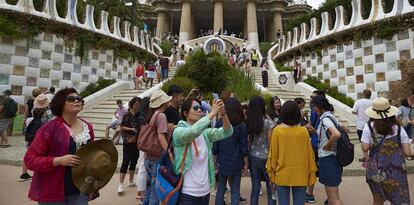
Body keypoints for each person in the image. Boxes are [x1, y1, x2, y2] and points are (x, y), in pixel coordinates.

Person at [24, 88, 95, 204]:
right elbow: (30, 160)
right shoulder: (49, 128)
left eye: (79, 99)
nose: (77, 101)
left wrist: (91, 186)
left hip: (80, 191)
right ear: (61, 103)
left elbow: (91, 157)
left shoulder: (88, 127)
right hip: (53, 192)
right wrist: (58, 161)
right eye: (71, 99)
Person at [172, 98, 233, 205]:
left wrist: (223, 113)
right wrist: (212, 113)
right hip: (187, 192)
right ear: (185, 113)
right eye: (195, 108)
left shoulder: (205, 134)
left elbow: (228, 131)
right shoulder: (178, 132)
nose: (200, 110)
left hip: (205, 191)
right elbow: (192, 132)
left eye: (200, 107)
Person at [361, 97, 413, 205]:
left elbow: (365, 147)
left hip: (376, 169)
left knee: (377, 200)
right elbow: (408, 152)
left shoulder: (368, 127)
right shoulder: (398, 128)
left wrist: (374, 143)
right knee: (399, 199)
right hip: (396, 170)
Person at [267, 101, 317, 205]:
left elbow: (273, 155)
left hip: (282, 174)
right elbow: (309, 154)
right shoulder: (303, 132)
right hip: (300, 174)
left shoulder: (277, 131)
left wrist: (272, 172)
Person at [213, 98, 248, 205]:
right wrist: (246, 162)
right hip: (236, 161)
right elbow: (243, 146)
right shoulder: (241, 125)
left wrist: (214, 161)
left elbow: (215, 145)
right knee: (235, 190)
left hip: (222, 160)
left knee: (221, 189)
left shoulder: (219, 123)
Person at [311, 96, 343, 205]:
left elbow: (336, 134)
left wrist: (326, 145)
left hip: (328, 159)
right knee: (332, 197)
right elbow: (344, 129)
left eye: (314, 107)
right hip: (333, 158)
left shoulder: (325, 119)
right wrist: (315, 131)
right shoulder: (331, 116)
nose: (314, 110)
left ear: (319, 107)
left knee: (333, 199)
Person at [246, 96, 276, 205]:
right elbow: (271, 142)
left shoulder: (249, 121)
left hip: (253, 156)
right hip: (267, 157)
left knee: (255, 187)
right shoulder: (268, 123)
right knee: (270, 187)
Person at [143, 90, 171, 205]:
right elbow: (160, 136)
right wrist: (169, 152)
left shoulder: (152, 115)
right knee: (155, 192)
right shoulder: (161, 116)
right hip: (156, 158)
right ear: (163, 102)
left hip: (148, 158)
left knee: (148, 190)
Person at [20, 94, 53, 182]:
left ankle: (24, 173)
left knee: (28, 154)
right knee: (40, 156)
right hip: (40, 137)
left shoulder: (33, 109)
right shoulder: (48, 112)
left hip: (31, 135)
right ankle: (37, 176)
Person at [117, 97, 143, 194]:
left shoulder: (140, 115)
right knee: (125, 161)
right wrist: (131, 129)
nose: (137, 107)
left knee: (134, 160)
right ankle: (120, 184)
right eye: (136, 105)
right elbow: (121, 126)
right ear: (132, 104)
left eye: (139, 105)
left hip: (137, 141)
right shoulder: (127, 114)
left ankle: (131, 181)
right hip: (128, 141)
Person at [134, 97, 150, 205]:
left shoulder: (139, 115)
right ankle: (141, 195)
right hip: (146, 144)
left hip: (140, 143)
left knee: (141, 167)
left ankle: (140, 193)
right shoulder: (145, 116)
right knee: (143, 168)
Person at [352, 89, 372, 162]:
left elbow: (353, 111)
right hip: (371, 124)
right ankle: (372, 155)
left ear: (363, 94)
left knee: (363, 141)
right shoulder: (373, 102)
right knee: (372, 140)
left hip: (361, 125)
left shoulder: (358, 102)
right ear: (370, 95)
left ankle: (365, 156)